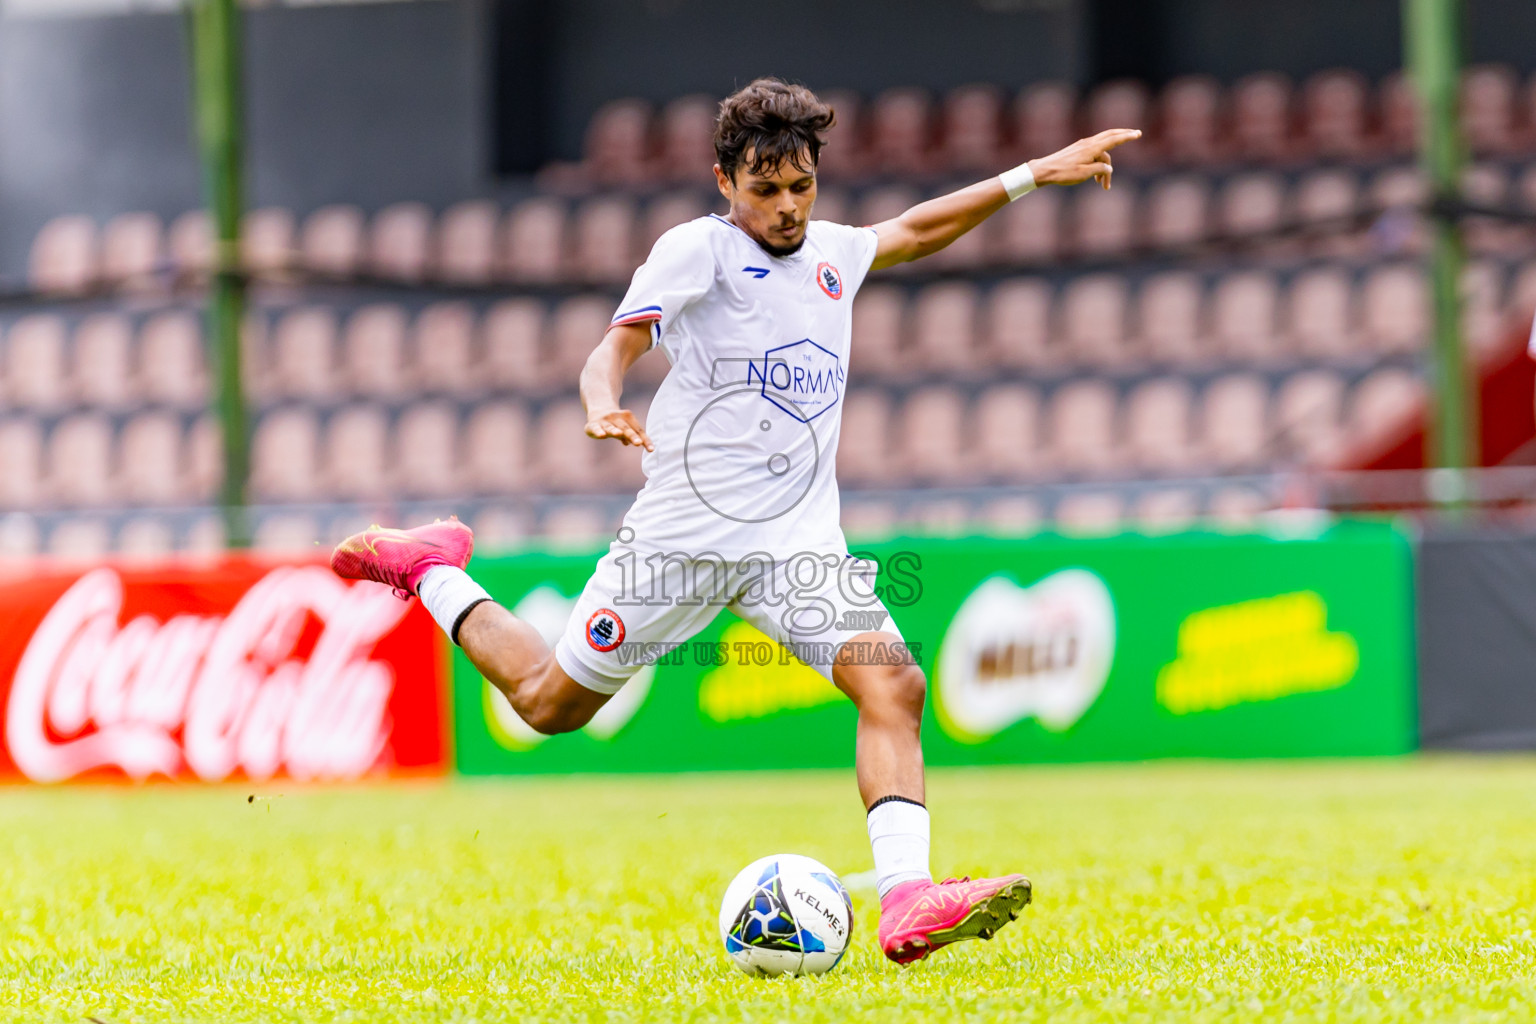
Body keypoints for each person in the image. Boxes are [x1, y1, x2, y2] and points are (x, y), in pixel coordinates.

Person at [332, 78, 1138, 964]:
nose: (787, 209)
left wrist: (1032, 174)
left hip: (795, 547)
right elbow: (615, 348)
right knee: (547, 705)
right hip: (684, 538)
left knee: (895, 685)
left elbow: (913, 230)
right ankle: (429, 567)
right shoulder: (696, 253)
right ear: (726, 181)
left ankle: (907, 900)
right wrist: (602, 402)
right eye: (765, 190)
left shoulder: (833, 254)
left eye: (801, 186)